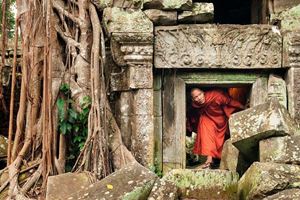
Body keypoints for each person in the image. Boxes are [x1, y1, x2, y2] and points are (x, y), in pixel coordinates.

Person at [187, 88, 244, 169]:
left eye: (200, 94)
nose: (199, 98)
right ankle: (209, 160)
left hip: (220, 118)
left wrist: (243, 107)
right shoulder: (195, 105)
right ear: (193, 99)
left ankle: (218, 159)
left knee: (220, 140)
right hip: (208, 118)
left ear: (204, 92)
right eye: (196, 97)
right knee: (206, 133)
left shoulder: (216, 95)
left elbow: (230, 101)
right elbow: (191, 113)